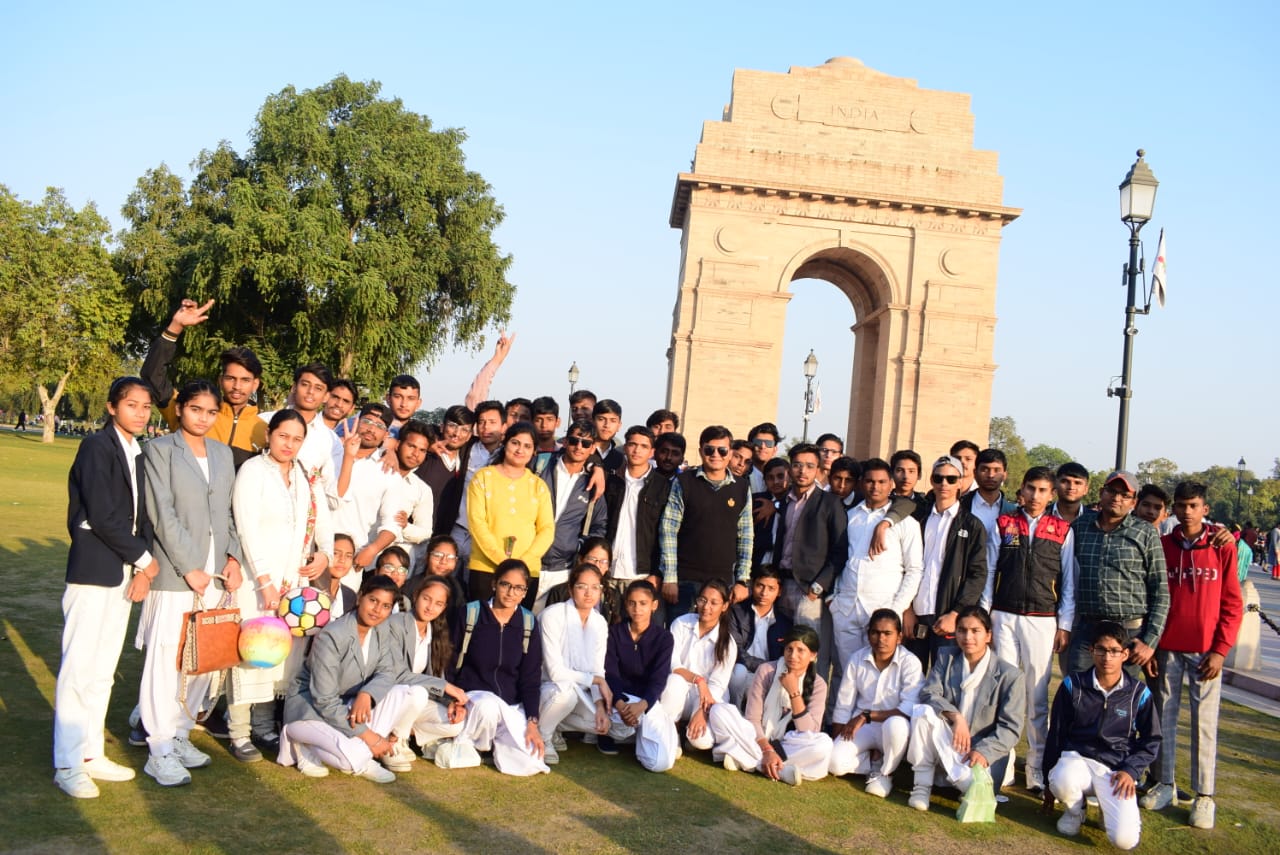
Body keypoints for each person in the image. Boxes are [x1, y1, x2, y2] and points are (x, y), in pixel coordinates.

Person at [53, 377, 157, 799]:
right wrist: (146, 561)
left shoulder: (137, 451)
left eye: (146, 406)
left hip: (124, 574)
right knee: (79, 671)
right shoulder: (97, 446)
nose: (141, 412)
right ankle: (67, 763)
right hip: (94, 572)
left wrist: (141, 569)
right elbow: (102, 515)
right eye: (132, 404)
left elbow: (142, 517)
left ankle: (91, 753)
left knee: (102, 673)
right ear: (112, 407)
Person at [137, 380, 244, 787]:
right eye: (196, 409)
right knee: (166, 659)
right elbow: (161, 513)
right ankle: (159, 747)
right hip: (175, 574)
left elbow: (228, 513)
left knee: (203, 658)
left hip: (216, 575)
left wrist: (232, 558)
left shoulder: (221, 453)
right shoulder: (160, 450)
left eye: (211, 412)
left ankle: (181, 733)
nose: (203, 418)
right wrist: (190, 567)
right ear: (180, 409)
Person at [230, 409, 336, 762]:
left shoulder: (305, 476)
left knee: (280, 657)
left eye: (296, 439)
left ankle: (264, 726)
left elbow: (320, 520)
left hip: (294, 583)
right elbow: (246, 528)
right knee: (252, 652)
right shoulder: (253, 471)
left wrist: (325, 554)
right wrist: (264, 581)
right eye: (283, 436)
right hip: (257, 582)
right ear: (269, 436)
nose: (289, 444)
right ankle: (238, 731)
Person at [278, 575, 459, 781]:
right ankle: (301, 741)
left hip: (349, 705)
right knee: (351, 760)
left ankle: (358, 752)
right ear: (360, 597)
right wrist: (371, 738)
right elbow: (324, 700)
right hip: (311, 710)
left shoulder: (381, 629)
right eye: (373, 600)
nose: (377, 610)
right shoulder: (333, 635)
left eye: (385, 606)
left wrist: (367, 694)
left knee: (403, 692)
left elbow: (388, 672)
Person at [1141, 482, 1243, 829]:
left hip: (1205, 651)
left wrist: (1221, 650)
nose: (1187, 512)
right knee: (1164, 718)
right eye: (1182, 505)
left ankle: (1204, 796)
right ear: (1173, 509)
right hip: (1167, 646)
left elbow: (1232, 602)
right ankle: (1165, 783)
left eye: (1194, 505)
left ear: (1205, 508)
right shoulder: (1163, 545)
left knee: (1204, 723)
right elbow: (1153, 598)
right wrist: (1151, 645)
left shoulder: (1221, 545)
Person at [987, 465, 1078, 794]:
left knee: (1037, 697)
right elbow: (989, 571)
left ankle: (1037, 767)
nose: (1035, 496)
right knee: (1005, 692)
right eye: (1031, 488)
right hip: (1003, 615)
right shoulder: (1004, 523)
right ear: (1021, 490)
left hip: (1042, 619)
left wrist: (1064, 624)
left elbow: (1068, 583)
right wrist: (986, 615)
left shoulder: (1062, 530)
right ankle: (1003, 762)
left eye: (1042, 491)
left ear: (1051, 495)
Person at [1044, 622, 1161, 850]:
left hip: (1116, 769)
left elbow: (1151, 739)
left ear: (1125, 654)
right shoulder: (1073, 685)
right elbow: (1056, 734)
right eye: (1101, 650)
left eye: (1114, 651)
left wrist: (1131, 770)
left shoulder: (1139, 693)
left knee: (1125, 841)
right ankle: (1076, 811)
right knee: (1061, 779)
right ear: (1091, 650)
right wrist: (1048, 782)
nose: (1107, 657)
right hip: (1077, 759)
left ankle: (1107, 811)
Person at [906, 606, 1026, 812]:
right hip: (948, 742)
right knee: (922, 712)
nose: (967, 637)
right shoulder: (946, 657)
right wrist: (956, 717)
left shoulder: (1010, 676)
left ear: (988, 635)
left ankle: (965, 785)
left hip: (979, 756)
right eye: (962, 630)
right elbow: (929, 693)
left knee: (974, 787)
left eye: (975, 631)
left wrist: (983, 752)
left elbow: (1011, 729)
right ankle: (921, 788)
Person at [437, 559, 550, 776]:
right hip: (473, 699)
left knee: (531, 761)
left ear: (525, 592)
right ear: (494, 584)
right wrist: (453, 698)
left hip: (511, 706)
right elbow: (449, 660)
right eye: (505, 584)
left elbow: (531, 677)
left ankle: (492, 746)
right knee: (488, 707)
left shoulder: (528, 622)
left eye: (519, 588)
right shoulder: (471, 613)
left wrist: (532, 722)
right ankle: (477, 745)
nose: (511, 593)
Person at [139, 298, 267, 468]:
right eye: (230, 378)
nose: (237, 386)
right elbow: (152, 377)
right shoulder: (191, 411)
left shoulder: (265, 432)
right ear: (220, 380)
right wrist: (175, 327)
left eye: (245, 380)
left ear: (255, 384)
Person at [1066, 471, 1168, 679]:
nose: (1117, 498)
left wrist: (1150, 641)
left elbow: (1161, 591)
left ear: (1133, 502)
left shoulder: (1144, 533)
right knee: (1077, 689)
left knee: (1121, 695)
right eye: (1112, 491)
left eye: (1125, 495)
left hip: (1129, 632)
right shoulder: (1080, 527)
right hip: (1088, 629)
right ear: (1101, 493)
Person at [829, 458, 923, 679]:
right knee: (848, 674)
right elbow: (839, 557)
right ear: (862, 483)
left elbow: (914, 570)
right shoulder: (849, 516)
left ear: (891, 484)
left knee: (881, 675)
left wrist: (897, 609)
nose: (875, 487)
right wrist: (833, 598)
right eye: (870, 481)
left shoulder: (906, 523)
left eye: (881, 482)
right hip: (846, 608)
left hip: (883, 608)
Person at [708, 625, 833, 786]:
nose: (793, 656)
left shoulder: (819, 684)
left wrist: (794, 692)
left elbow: (809, 731)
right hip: (757, 737)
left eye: (800, 650)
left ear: (813, 655)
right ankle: (779, 769)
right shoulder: (767, 670)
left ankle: (749, 760)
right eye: (789, 649)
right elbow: (753, 719)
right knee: (719, 710)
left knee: (824, 744)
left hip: (789, 744)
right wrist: (767, 749)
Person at [658, 426, 753, 620]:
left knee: (716, 637)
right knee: (681, 634)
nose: (715, 455)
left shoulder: (742, 487)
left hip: (723, 583)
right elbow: (669, 530)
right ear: (701, 451)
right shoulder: (684, 482)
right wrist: (670, 578)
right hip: (684, 581)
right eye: (709, 449)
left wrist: (742, 580)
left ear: (730, 454)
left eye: (722, 450)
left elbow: (746, 536)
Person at [905, 456, 988, 671]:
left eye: (951, 479)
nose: (944, 484)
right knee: (910, 679)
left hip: (949, 616)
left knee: (946, 680)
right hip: (916, 613)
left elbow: (978, 574)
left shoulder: (972, 525)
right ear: (931, 480)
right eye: (939, 478)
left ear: (960, 482)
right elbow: (904, 565)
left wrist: (956, 613)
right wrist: (907, 609)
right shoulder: (917, 519)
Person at [828, 609, 923, 797]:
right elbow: (844, 704)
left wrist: (866, 716)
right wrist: (836, 741)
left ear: (899, 637)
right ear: (868, 634)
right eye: (875, 633)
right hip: (863, 727)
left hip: (894, 727)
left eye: (887, 633)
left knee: (896, 725)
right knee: (834, 763)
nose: (881, 639)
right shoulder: (857, 658)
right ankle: (871, 761)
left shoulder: (910, 663)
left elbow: (908, 709)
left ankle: (885, 772)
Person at [383, 574, 469, 766]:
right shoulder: (395, 623)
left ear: (444, 607)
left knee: (455, 724)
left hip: (412, 700)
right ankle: (393, 741)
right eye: (426, 599)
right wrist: (446, 686)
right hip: (389, 695)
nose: (430, 607)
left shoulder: (436, 632)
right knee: (418, 693)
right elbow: (398, 675)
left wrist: (451, 702)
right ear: (416, 596)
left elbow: (434, 678)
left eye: (438, 603)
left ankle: (400, 734)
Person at [465, 421, 554, 606]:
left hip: (527, 570)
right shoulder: (483, 478)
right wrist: (502, 561)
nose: (520, 450)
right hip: (486, 567)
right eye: (515, 443)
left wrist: (522, 564)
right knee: (482, 620)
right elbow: (477, 522)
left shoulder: (538, 486)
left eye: (527, 446)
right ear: (505, 443)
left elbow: (547, 530)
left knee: (518, 622)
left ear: (534, 452)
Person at [537, 563, 612, 762]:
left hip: (580, 691)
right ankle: (543, 737)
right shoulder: (552, 615)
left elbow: (598, 668)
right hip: (548, 688)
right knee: (566, 695)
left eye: (595, 587)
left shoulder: (599, 622)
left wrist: (600, 705)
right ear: (570, 590)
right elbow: (555, 672)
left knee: (604, 724)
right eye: (582, 586)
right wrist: (597, 680)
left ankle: (553, 726)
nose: (589, 593)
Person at [603, 580, 678, 770]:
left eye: (643, 603)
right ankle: (620, 735)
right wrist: (620, 704)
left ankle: (651, 734)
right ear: (626, 604)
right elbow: (610, 672)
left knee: (659, 764)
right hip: (619, 701)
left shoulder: (664, 638)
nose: (637, 609)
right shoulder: (614, 633)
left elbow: (659, 678)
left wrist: (642, 706)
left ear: (654, 605)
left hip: (646, 703)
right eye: (632, 603)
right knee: (618, 728)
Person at [659, 579, 738, 754]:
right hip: (679, 691)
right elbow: (673, 665)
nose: (706, 607)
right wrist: (698, 680)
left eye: (714, 603)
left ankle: (690, 734)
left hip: (707, 698)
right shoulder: (681, 624)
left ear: (724, 606)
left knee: (700, 741)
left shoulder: (728, 643)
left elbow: (717, 685)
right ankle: (672, 732)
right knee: (674, 681)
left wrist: (702, 712)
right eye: (703, 600)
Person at [537, 419, 608, 611]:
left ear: (592, 448)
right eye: (575, 440)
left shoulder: (593, 484)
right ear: (566, 441)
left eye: (585, 443)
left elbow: (599, 526)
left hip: (562, 570)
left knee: (553, 624)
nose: (579, 447)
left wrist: (577, 546)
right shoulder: (540, 466)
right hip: (528, 560)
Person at [604, 425, 671, 597]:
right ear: (625, 447)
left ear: (652, 452)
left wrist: (657, 572)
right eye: (633, 444)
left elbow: (666, 534)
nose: (637, 450)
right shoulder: (611, 481)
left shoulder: (663, 486)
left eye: (644, 446)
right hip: (606, 571)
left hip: (642, 575)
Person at [727, 568, 793, 706]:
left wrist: (768, 670)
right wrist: (764, 666)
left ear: (779, 591)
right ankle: (733, 709)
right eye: (760, 586)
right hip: (740, 670)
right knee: (738, 672)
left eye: (771, 588)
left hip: (767, 676)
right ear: (752, 585)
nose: (764, 593)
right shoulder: (736, 612)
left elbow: (784, 658)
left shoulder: (785, 623)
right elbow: (735, 649)